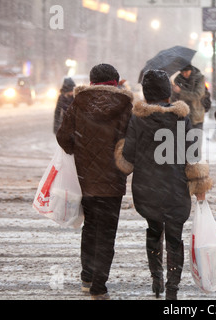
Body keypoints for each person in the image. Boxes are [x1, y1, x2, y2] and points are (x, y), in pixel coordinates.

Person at [116, 69, 212, 300]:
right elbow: (193, 152)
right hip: (175, 188)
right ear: (168, 93)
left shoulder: (138, 119)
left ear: (146, 93)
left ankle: (156, 278)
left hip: (147, 188)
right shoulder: (182, 118)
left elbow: (127, 156)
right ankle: (172, 289)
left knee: (153, 229)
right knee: (174, 238)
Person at [56, 64, 134, 300]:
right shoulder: (125, 106)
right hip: (113, 180)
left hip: (86, 179)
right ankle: (99, 287)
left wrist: (79, 151)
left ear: (91, 81)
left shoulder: (79, 103)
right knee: (107, 233)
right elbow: (131, 142)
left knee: (90, 227)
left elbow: (63, 136)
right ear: (115, 82)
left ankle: (87, 277)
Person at [171, 64, 206, 131]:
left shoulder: (199, 78)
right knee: (182, 140)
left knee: (196, 140)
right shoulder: (178, 79)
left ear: (191, 70)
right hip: (182, 116)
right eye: (182, 72)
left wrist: (180, 91)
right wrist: (174, 91)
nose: (184, 74)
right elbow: (174, 99)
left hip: (196, 116)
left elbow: (197, 95)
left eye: (186, 72)